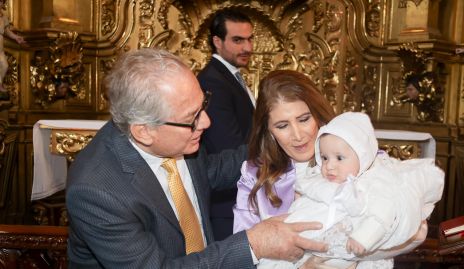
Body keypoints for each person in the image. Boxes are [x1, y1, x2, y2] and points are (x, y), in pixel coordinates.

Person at [65, 48, 327, 269]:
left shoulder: (175, 136)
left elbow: (215, 169)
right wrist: (254, 244)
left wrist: (281, 139)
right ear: (144, 131)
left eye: (203, 105)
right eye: (192, 118)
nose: (206, 121)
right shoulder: (96, 191)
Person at [257, 112, 444, 269]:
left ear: (361, 154)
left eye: (339, 158)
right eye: (324, 157)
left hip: (348, 248)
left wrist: (363, 238)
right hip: (305, 246)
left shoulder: (373, 184)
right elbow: (304, 192)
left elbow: (382, 214)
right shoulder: (319, 179)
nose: (329, 166)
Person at [233, 70, 336, 234]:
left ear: (318, 115)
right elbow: (244, 248)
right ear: (268, 130)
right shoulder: (253, 175)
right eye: (282, 126)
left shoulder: (355, 158)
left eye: (304, 119)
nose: (298, 135)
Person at [197, 9, 255, 240]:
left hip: (237, 197)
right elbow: (228, 147)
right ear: (217, 41)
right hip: (227, 203)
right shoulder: (213, 80)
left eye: (250, 39)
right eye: (238, 40)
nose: (247, 48)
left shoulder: (229, 76)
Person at [0, 0, 25, 97]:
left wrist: (16, 38)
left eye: (1, 2)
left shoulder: (3, 17)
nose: (0, 4)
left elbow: (7, 31)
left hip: (0, 44)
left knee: (5, 65)